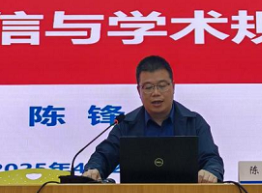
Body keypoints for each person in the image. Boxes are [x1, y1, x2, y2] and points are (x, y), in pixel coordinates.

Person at [82, 55, 224, 183]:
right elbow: (104, 155)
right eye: (148, 87)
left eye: (162, 86)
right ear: (139, 91)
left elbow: (212, 159)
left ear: (173, 87)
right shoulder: (126, 125)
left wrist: (210, 172)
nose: (156, 93)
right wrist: (94, 169)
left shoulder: (193, 123)